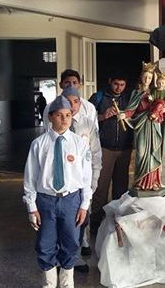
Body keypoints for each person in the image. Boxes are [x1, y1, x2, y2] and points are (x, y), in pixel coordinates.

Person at [23, 96, 92, 288]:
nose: (64, 119)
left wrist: (84, 205)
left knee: (70, 241)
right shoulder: (39, 144)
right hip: (45, 201)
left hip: (71, 200)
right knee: (45, 243)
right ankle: (49, 283)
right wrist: (31, 206)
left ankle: (67, 283)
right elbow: (30, 177)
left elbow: (86, 177)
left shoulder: (80, 143)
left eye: (68, 115)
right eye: (59, 115)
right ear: (50, 117)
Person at [61, 87, 102, 270]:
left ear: (80, 102)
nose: (72, 106)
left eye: (75, 102)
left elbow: (95, 154)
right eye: (68, 102)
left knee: (82, 220)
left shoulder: (87, 124)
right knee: (65, 222)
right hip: (63, 185)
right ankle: (70, 257)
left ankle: (74, 252)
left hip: (83, 184)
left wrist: (94, 182)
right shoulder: (56, 124)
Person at [88, 73, 133, 234]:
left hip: (125, 148)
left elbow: (137, 117)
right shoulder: (99, 97)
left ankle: (116, 224)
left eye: (122, 84)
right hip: (104, 148)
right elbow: (87, 119)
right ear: (110, 82)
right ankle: (95, 224)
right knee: (101, 187)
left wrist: (128, 115)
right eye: (116, 84)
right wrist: (103, 115)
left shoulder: (129, 98)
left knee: (121, 188)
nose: (118, 88)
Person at [121, 62, 165, 191]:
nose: (147, 80)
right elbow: (131, 109)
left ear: (153, 78)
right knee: (141, 153)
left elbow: (163, 105)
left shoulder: (155, 92)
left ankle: (153, 182)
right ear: (141, 77)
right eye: (145, 77)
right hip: (141, 126)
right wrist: (124, 115)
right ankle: (140, 182)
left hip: (154, 126)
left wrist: (164, 109)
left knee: (154, 153)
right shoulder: (136, 92)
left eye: (149, 77)